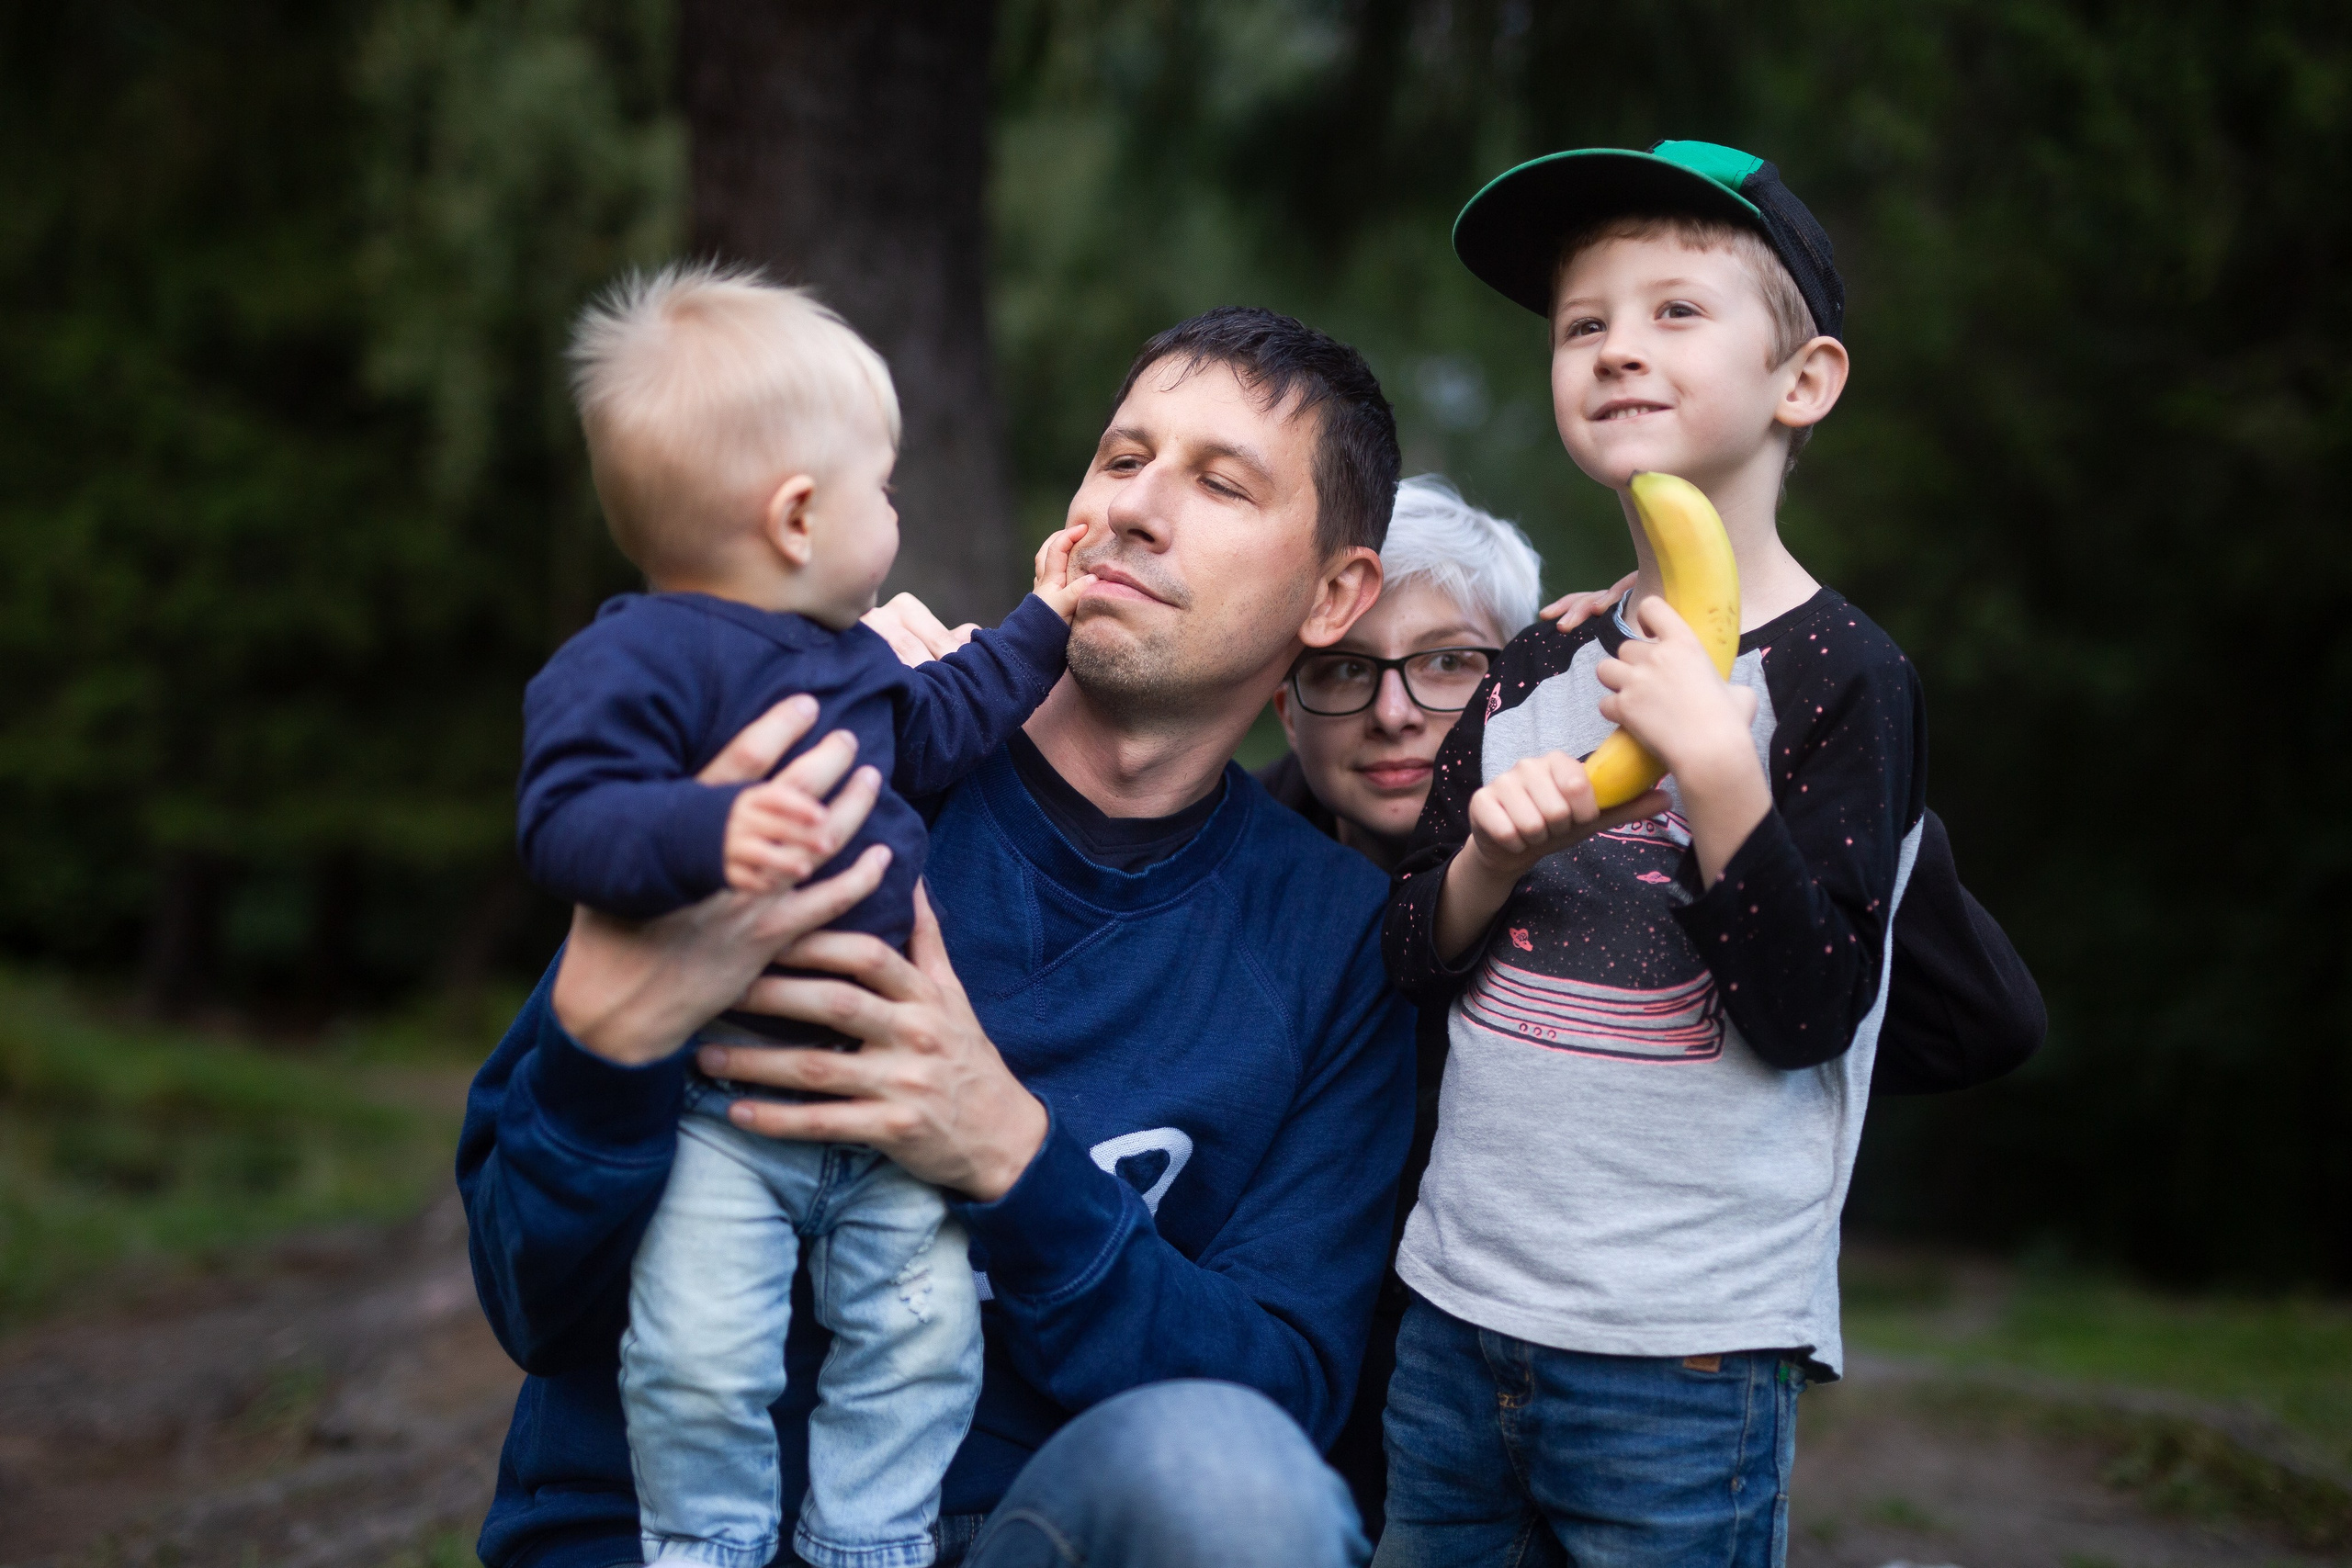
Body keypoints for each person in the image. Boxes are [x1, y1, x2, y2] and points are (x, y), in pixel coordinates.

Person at [459, 306, 1418, 1568]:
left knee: (1231, 1486)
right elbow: (533, 1298)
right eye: (1122, 459)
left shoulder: (1333, 936)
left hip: (1021, 1528)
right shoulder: (824, 753)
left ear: (1335, 591)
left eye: (1221, 482)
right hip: (651, 1528)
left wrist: (1009, 1151)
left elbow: (1283, 1393)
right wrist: (607, 1041)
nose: (1135, 508)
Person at [1256, 478, 2041, 1543]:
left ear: (1526, 673)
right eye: (1343, 669)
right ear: (1282, 697)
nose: (1396, 710)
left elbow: (1974, 1017)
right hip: (1333, 1437)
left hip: (1614, 1387)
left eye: (1450, 661)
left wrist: (1778, 761)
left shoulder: (1657, 825)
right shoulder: (1238, 873)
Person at [1374, 140, 1928, 1566]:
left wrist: (1721, 768)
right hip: (1455, 1312)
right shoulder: (1534, 661)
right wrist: (1490, 864)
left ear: (1801, 382)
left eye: (1677, 310)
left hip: (1684, 1354)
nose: (1618, 347)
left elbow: (1811, 1010)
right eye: (1583, 322)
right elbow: (1403, 952)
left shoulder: (1844, 675)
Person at [512, 265, 1098, 1568]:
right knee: (701, 1348)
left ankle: (868, 1540)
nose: (895, 506)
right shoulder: (629, 662)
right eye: (882, 486)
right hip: (726, 1107)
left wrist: (1049, 617)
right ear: (795, 514)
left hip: (884, 1107)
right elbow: (563, 820)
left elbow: (954, 715)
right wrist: (707, 832)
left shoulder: (856, 665)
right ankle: (710, 1543)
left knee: (921, 1335)